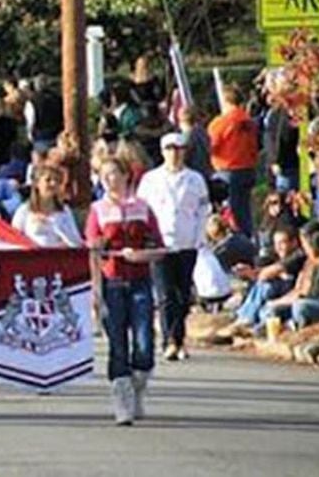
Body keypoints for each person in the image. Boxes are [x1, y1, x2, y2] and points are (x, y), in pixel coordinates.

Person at [85, 156, 164, 425]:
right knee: (117, 343)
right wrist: (95, 290)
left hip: (140, 280)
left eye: (114, 174)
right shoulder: (97, 210)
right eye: (104, 176)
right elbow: (93, 253)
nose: (109, 180)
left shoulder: (143, 208)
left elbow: (159, 248)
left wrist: (140, 255)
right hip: (112, 282)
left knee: (144, 344)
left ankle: (138, 384)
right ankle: (122, 399)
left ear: (125, 176)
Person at [136, 133, 210, 361]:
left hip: (187, 242)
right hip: (160, 244)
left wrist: (199, 237)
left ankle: (179, 337)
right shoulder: (151, 179)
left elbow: (203, 211)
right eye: (170, 148)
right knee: (166, 294)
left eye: (179, 148)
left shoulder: (195, 179)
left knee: (183, 293)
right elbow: (142, 210)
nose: (175, 153)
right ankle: (170, 339)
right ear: (162, 151)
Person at [208, 85, 258, 237]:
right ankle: (248, 241)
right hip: (248, 169)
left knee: (230, 214)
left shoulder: (221, 122)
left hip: (228, 171)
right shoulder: (248, 121)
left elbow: (210, 146)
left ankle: (234, 244)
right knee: (244, 211)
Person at [259, 221, 319, 330]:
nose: (304, 247)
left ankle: (294, 327)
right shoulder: (308, 263)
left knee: (300, 306)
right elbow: (298, 291)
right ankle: (264, 330)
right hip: (304, 301)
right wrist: (277, 302)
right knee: (270, 309)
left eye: (305, 243)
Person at [11, 165, 82, 247]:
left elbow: (77, 243)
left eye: (57, 180)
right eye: (48, 180)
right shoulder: (24, 211)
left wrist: (54, 225)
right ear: (37, 183)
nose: (53, 183)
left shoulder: (64, 211)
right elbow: (13, 240)